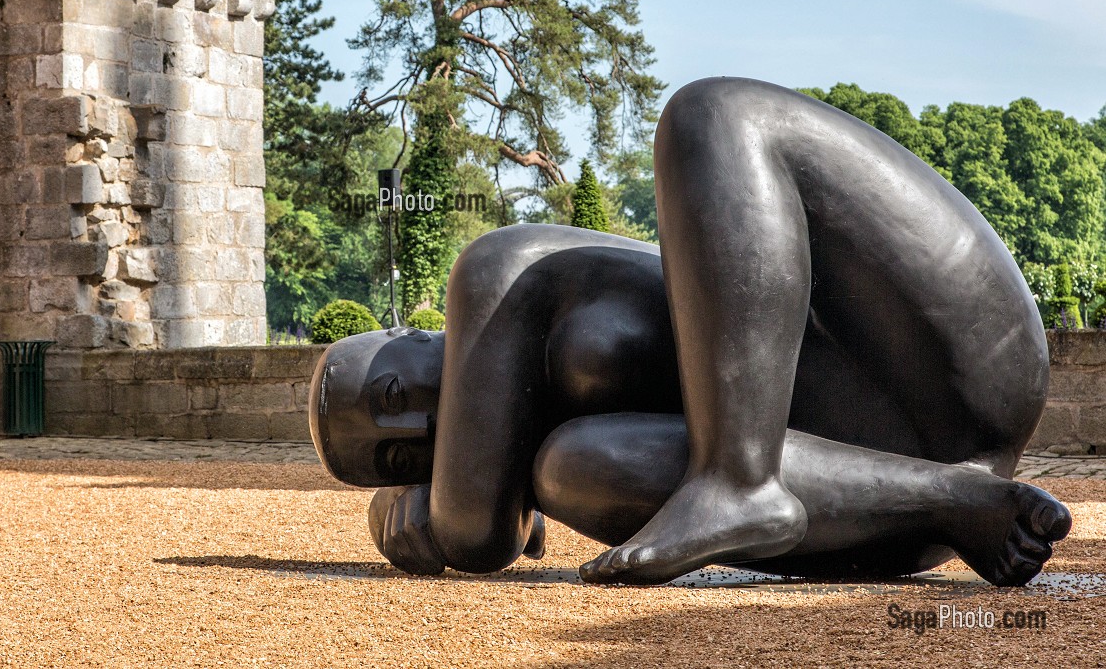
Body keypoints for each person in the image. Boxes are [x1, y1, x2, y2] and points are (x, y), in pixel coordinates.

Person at [309, 77, 1072, 586]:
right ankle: (956, 495)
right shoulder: (556, 437)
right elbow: (480, 518)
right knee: (569, 466)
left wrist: (400, 515)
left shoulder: (494, 272)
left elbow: (473, 534)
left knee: (710, 114)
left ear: (407, 330)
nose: (417, 419)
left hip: (956, 349)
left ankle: (738, 477)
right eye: (395, 453)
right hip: (895, 511)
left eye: (390, 388)